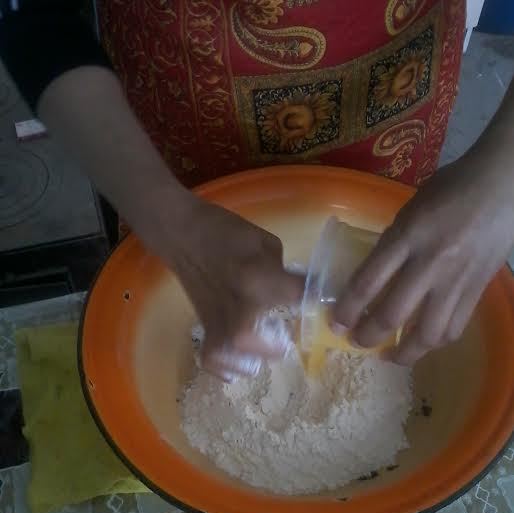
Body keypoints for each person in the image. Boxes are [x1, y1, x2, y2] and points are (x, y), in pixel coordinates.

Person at [1, 0, 513, 381]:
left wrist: (502, 178)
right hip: (180, 101)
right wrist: (172, 224)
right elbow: (36, 17)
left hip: (396, 86)